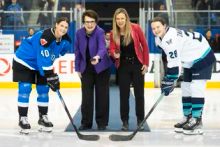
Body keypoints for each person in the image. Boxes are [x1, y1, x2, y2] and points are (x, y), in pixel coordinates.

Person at [150, 17, 216, 135]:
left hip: (202, 56)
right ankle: (188, 117)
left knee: (196, 88)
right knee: (185, 87)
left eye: (158, 27)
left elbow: (174, 62)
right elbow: (169, 56)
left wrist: (170, 79)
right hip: (189, 60)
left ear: (165, 26)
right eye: (153, 28)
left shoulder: (170, 39)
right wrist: (169, 79)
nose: (156, 30)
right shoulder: (159, 39)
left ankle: (197, 120)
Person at [12, 17, 71, 134]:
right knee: (25, 88)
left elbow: (57, 54)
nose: (63, 29)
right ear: (56, 25)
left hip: (40, 63)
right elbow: (42, 59)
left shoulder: (66, 41)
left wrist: (50, 76)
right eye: (61, 26)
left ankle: (43, 117)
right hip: (24, 60)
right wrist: (51, 75)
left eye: (66, 27)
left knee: (43, 89)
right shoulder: (45, 37)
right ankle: (22, 118)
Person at [109, 8, 149, 131]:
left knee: (139, 94)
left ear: (126, 18)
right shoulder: (113, 33)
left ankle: (140, 120)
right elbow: (111, 48)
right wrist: (113, 54)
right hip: (123, 66)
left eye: (122, 18)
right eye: (118, 18)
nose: (120, 21)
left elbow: (145, 46)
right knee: (124, 95)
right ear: (115, 20)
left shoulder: (135, 28)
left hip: (137, 64)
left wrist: (146, 63)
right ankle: (125, 122)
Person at [74, 10, 112, 130]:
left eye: (92, 22)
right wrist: (78, 68)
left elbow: (102, 48)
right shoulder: (79, 33)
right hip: (86, 68)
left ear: (96, 22)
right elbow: (77, 52)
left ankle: (102, 123)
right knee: (86, 97)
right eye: (87, 22)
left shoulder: (100, 32)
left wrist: (98, 57)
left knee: (102, 96)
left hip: (101, 67)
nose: (89, 24)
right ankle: (86, 122)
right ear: (83, 22)